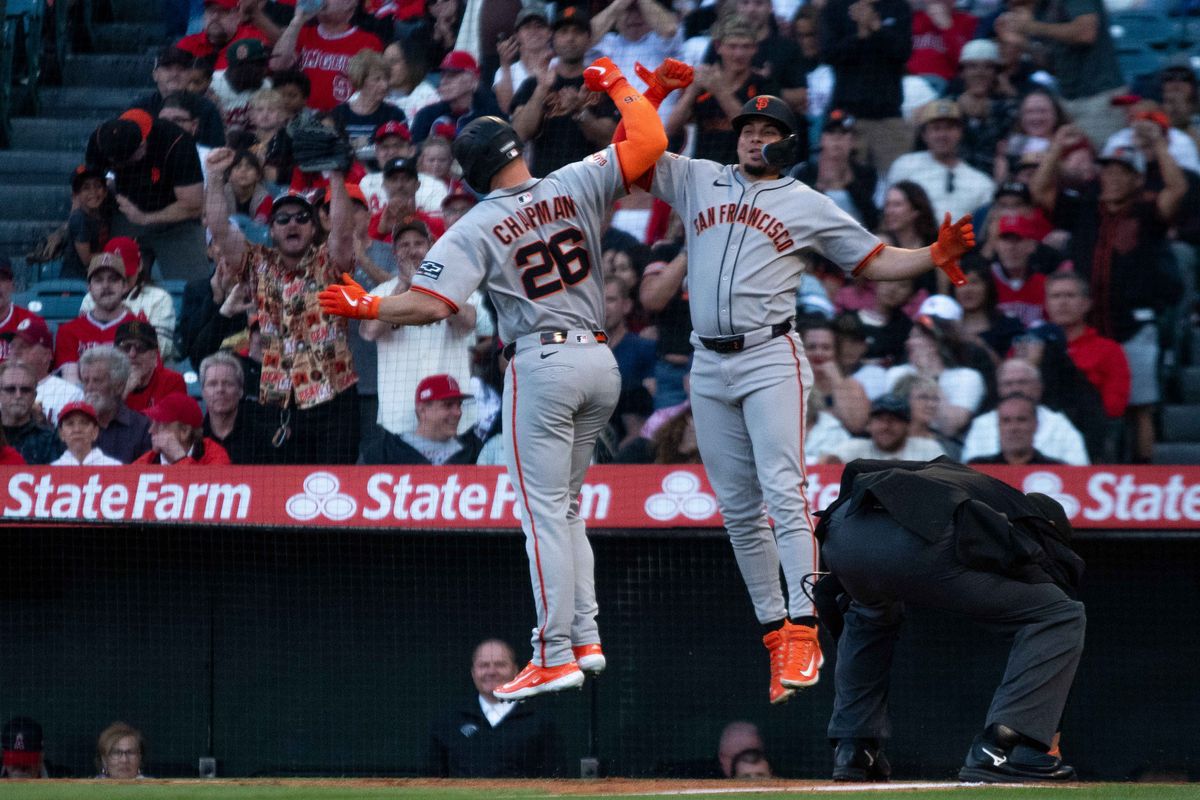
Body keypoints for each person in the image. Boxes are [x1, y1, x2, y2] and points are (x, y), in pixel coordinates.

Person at [320, 57, 668, 699]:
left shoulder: (476, 223)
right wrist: (624, 87)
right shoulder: (572, 181)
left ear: (472, 173)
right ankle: (586, 638)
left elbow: (431, 305)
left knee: (542, 519)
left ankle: (552, 652)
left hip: (542, 361)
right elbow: (649, 141)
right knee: (567, 513)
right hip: (599, 360)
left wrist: (370, 306)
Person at [636, 82, 974, 703]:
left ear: (790, 144)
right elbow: (634, 152)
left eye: (767, 132)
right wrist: (651, 96)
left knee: (784, 496)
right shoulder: (697, 178)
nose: (754, 139)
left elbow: (871, 260)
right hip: (708, 364)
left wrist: (931, 252)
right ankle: (776, 635)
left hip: (769, 355)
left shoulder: (807, 202)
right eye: (747, 130)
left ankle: (805, 624)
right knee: (737, 511)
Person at [817, 458, 1084, 784]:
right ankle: (1004, 747)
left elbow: (858, 468)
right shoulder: (1033, 520)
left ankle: (855, 748)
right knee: (1061, 615)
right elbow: (1055, 594)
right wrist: (1041, 733)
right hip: (918, 537)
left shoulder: (959, 474)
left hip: (843, 527)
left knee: (869, 612)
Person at [1031, 124, 1186, 462]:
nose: (1113, 177)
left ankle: (1142, 476)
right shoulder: (1086, 208)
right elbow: (1040, 190)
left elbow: (1178, 190)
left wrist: (1158, 144)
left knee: (1139, 407)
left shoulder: (1147, 212)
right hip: (1090, 329)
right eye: (1108, 170)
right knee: (1081, 405)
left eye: (1122, 171)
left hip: (1132, 325)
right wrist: (1056, 148)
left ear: (1136, 179)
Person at [205, 147, 362, 465]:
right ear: (271, 228)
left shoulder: (328, 261)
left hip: (334, 394)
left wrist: (333, 174)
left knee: (335, 488)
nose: (293, 224)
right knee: (283, 490)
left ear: (314, 225)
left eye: (302, 218)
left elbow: (344, 233)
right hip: (280, 397)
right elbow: (220, 229)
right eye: (283, 219)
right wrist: (213, 177)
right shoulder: (256, 263)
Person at [84, 108, 207, 280]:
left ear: (142, 142)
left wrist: (144, 217)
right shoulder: (100, 140)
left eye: (133, 156)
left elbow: (194, 206)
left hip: (178, 220)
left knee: (193, 288)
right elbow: (85, 189)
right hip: (126, 215)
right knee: (116, 281)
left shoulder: (177, 141)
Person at [510, 7, 619, 178]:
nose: (570, 38)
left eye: (577, 32)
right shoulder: (533, 84)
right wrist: (541, 90)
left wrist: (580, 113)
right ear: (553, 39)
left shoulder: (603, 86)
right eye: (563, 32)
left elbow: (610, 138)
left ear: (588, 39)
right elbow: (519, 134)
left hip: (588, 185)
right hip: (544, 185)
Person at [429, 639, 556, 778]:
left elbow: (556, 782)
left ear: (515, 671)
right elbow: (432, 781)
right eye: (483, 665)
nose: (491, 671)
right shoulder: (448, 722)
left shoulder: (541, 723)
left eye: (500, 664)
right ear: (473, 672)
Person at [819, 0, 912, 173]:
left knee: (896, 182)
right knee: (844, 183)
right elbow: (829, 54)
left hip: (888, 116)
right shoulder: (835, 8)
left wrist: (876, 27)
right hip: (847, 117)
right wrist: (860, 35)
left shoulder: (898, 6)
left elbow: (903, 52)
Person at [961, 358, 1088, 465]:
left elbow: (1078, 473)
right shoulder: (981, 425)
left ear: (1038, 387)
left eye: (1022, 382)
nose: (1015, 389)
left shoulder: (1060, 425)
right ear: (998, 388)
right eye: (1008, 384)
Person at [886, 100, 996, 223]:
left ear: (961, 132)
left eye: (949, 128)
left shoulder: (981, 182)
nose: (943, 135)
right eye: (936, 128)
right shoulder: (905, 165)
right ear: (924, 134)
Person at [1043, 271, 1130, 421]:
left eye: (1070, 295)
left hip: (1090, 428)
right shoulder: (1032, 345)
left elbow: (1115, 405)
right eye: (1055, 296)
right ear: (1046, 304)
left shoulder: (1109, 350)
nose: (1062, 302)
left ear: (1086, 304)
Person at [269, 0, 384, 113]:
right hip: (301, 116)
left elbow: (374, 86)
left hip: (343, 117)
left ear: (350, 3)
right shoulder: (301, 33)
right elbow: (277, 65)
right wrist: (297, 21)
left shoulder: (368, 42)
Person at [55, 253, 144, 384]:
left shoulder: (140, 328)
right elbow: (71, 383)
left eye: (113, 279)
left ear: (125, 286)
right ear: (89, 288)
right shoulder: (69, 331)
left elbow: (142, 378)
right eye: (98, 280)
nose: (106, 286)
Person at [361, 374, 483, 465]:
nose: (458, 412)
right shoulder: (384, 452)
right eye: (448, 405)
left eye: (459, 405)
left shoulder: (474, 453)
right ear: (422, 410)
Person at [788, 109, 879, 231]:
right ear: (821, 139)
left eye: (843, 133)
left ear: (852, 141)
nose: (837, 138)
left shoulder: (866, 173)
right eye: (831, 132)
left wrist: (850, 184)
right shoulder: (804, 171)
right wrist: (820, 186)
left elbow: (873, 220)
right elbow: (794, 211)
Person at [131, 45, 226, 148]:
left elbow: (214, 150)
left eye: (182, 69)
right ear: (155, 75)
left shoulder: (207, 109)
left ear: (190, 75)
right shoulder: (140, 108)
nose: (175, 74)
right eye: (168, 69)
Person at [820, 393, 946, 463]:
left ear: (908, 426)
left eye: (893, 420)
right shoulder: (855, 447)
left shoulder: (928, 449)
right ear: (869, 425)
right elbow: (825, 466)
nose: (886, 426)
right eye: (880, 420)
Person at [79, 345, 153, 464]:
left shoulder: (142, 428)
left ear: (118, 386)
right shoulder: (73, 426)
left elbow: (148, 477)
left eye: (97, 381)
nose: (89, 388)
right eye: (86, 381)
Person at [199, 351, 276, 464]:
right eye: (213, 384)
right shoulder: (194, 439)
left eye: (228, 384)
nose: (220, 390)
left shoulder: (262, 437)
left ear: (240, 391)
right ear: (203, 392)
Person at [410, 51, 501, 143]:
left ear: (473, 80)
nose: (443, 82)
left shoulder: (491, 112)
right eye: (442, 76)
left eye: (452, 76)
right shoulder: (427, 115)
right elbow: (415, 151)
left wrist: (456, 134)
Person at [331, 49, 408, 155]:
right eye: (377, 79)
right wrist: (353, 145)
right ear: (360, 81)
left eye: (386, 79)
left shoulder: (395, 115)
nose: (384, 86)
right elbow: (328, 149)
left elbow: (403, 149)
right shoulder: (338, 113)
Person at [134, 392, 232, 465]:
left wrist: (179, 458)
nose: (151, 430)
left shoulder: (214, 454)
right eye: (152, 423)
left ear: (185, 431)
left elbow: (203, 489)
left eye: (161, 424)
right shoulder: (145, 462)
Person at [968, 392, 1064, 465]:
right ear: (998, 425)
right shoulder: (978, 468)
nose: (1014, 428)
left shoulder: (1058, 469)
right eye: (1006, 421)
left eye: (1021, 420)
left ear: (1036, 425)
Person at [0, 362, 64, 464]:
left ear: (34, 395)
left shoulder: (51, 441)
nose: (18, 395)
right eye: (10, 389)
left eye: (25, 390)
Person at [116, 320, 187, 412]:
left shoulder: (172, 381)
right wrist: (124, 392)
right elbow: (100, 422)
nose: (132, 354)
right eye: (126, 347)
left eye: (140, 347)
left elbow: (169, 423)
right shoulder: (106, 380)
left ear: (154, 354)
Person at [62, 165, 113, 281]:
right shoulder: (79, 219)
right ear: (76, 195)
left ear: (105, 192)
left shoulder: (103, 214)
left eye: (98, 186)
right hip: (75, 283)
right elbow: (87, 259)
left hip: (97, 277)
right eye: (86, 188)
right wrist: (116, 255)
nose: (93, 192)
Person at [51, 400, 123, 466]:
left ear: (95, 432)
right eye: (70, 424)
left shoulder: (115, 467)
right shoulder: (51, 470)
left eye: (84, 423)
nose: (77, 429)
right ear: (61, 434)